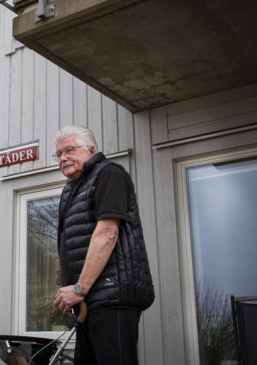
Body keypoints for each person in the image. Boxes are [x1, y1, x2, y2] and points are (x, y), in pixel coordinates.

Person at [51, 125, 154, 365]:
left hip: (112, 299)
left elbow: (107, 232)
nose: (63, 158)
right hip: (88, 302)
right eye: (58, 154)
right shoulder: (71, 189)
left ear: (92, 150)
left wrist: (78, 289)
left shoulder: (108, 174)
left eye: (69, 150)